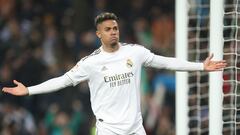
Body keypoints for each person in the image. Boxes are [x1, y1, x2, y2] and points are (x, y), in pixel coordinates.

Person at [2, 12, 226, 135]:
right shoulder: (91, 63)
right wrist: (29, 90)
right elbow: (62, 81)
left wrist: (200, 66)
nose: (113, 32)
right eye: (108, 29)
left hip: (136, 128)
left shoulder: (135, 52)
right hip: (109, 130)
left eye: (115, 28)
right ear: (99, 34)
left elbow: (165, 62)